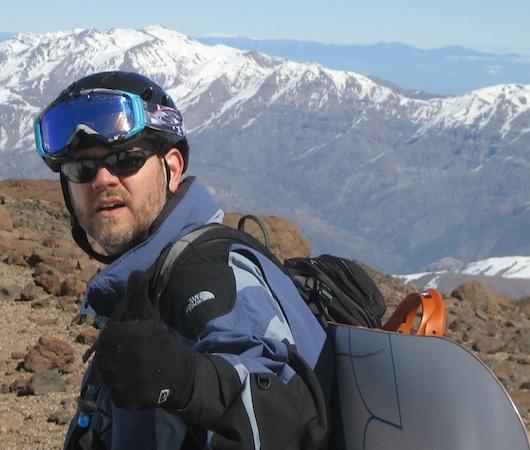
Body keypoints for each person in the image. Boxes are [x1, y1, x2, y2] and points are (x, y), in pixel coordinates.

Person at [34, 71, 331, 450]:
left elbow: (288, 417)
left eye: (126, 160)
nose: (102, 180)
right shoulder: (148, 280)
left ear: (172, 169)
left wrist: (187, 380)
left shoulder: (204, 273)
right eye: (81, 169)